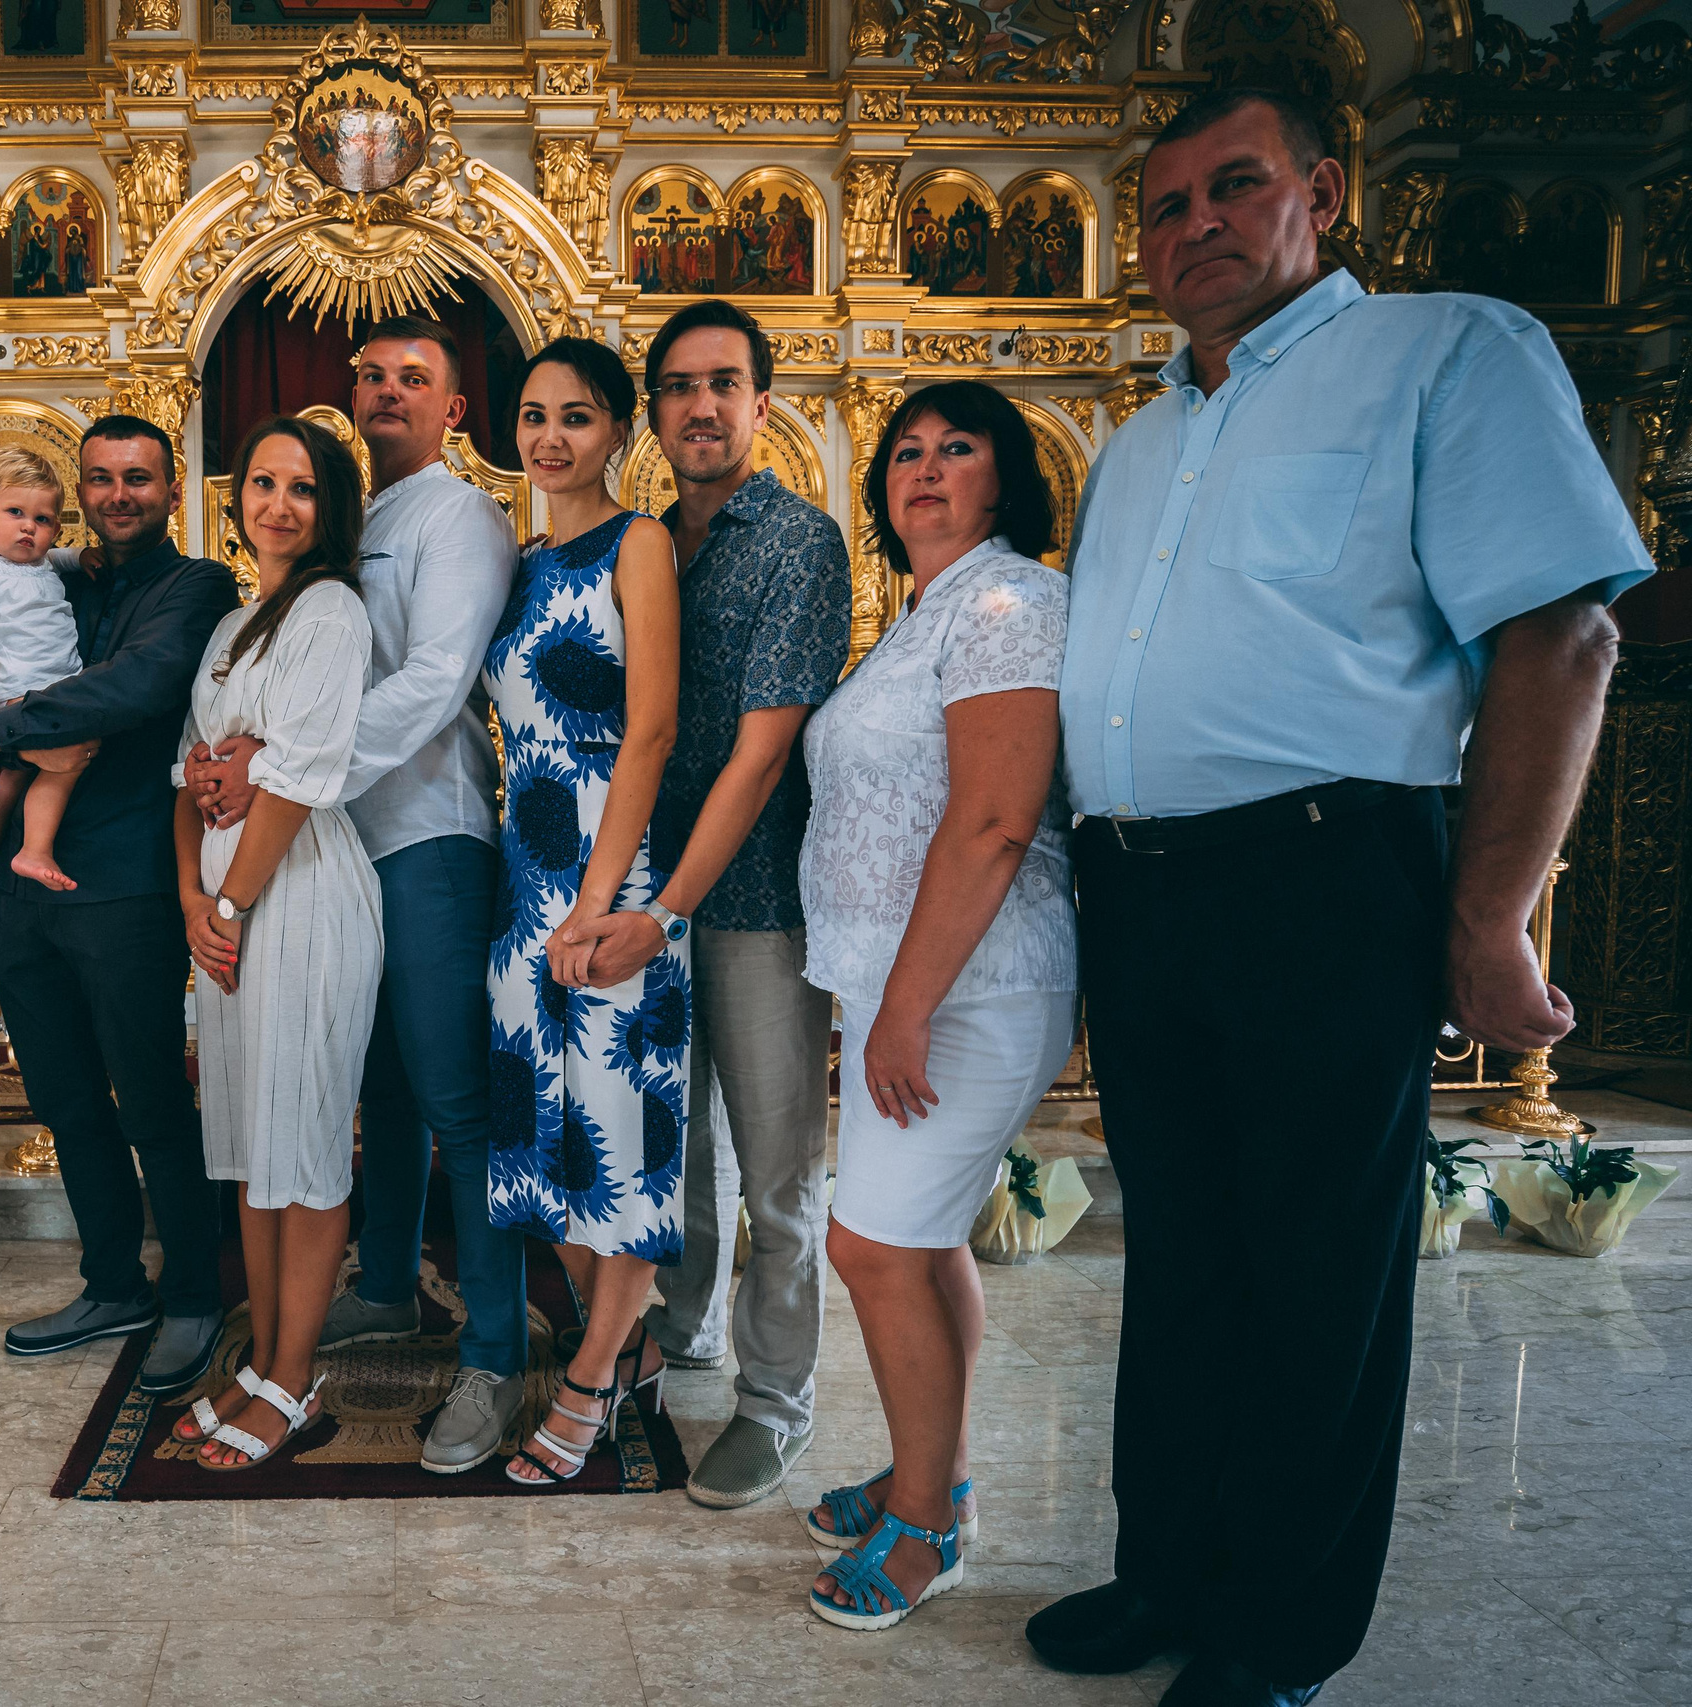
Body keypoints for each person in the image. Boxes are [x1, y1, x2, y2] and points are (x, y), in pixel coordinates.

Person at [1031, 89, 1649, 1707]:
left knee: (1316, 1271)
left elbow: (1560, 634)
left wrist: (1488, 916)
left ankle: (1276, 1636)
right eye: (1163, 206)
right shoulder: (1147, 433)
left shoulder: (1449, 352)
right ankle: (1167, 1567)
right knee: (1179, 1255)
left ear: (1323, 191)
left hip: (1325, 868)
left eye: (1232, 187)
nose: (1195, 227)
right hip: (1145, 888)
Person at [183, 316, 530, 1475]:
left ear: (453, 411)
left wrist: (280, 767)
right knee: (363, 1085)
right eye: (371, 375)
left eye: (414, 378)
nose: (389, 391)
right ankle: (382, 1287)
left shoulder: (456, 515)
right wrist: (259, 775)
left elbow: (436, 680)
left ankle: (490, 1349)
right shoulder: (348, 519)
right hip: (317, 848)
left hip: (422, 830)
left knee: (447, 1094)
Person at [794, 381, 1074, 1630]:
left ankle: (925, 1532)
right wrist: (880, 1001)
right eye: (905, 452)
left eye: (956, 449)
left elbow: (995, 819)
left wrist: (900, 1011)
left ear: (1002, 479)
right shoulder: (926, 614)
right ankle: (932, 1475)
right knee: (925, 1238)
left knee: (872, 1248)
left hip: (972, 984)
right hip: (905, 987)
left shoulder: (1010, 604)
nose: (924, 467)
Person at [573, 298, 851, 1510]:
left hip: (749, 901)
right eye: (678, 387)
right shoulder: (640, 543)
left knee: (776, 1170)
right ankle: (671, 1331)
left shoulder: (799, 543)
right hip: (644, 895)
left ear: (761, 403)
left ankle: (774, 1403)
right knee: (667, 1149)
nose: (700, 406)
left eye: (722, 384)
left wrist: (666, 907)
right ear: (654, 412)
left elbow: (758, 756)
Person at [0, 416, 239, 1396]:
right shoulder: (50, 580)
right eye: (100, 479)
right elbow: (5, 664)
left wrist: (3, 725)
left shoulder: (196, 587)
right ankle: (109, 1282)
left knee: (151, 1101)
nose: (118, 494)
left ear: (170, 491)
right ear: (79, 491)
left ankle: (192, 1299)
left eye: (137, 478)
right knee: (67, 1101)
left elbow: (138, 686)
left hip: (126, 881)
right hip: (26, 883)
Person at [481, 336, 684, 1485]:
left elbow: (650, 726)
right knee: (544, 1142)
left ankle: (591, 1375)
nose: (550, 437)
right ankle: (630, 1340)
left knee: (621, 1134)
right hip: (526, 873)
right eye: (533, 415)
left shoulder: (638, 543)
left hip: (617, 870)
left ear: (617, 433)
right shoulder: (513, 562)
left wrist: (599, 900)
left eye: (576, 416)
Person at [167, 416, 381, 1470]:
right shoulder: (233, 621)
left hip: (297, 898)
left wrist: (234, 906)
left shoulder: (330, 609)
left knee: (299, 1140)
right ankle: (261, 1360)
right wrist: (189, 903)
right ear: (237, 495)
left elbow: (295, 780)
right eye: (262, 483)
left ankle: (294, 1380)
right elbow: (186, 776)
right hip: (226, 912)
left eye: (302, 489)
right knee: (251, 1151)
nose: (278, 505)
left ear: (329, 507)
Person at [0, 446, 90, 906]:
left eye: (43, 520)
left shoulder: (44, 562)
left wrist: (83, 556)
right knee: (75, 757)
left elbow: (61, 557)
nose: (29, 527)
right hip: (13, 700)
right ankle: (34, 848)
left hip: (54, 694)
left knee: (10, 784)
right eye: (15, 513)